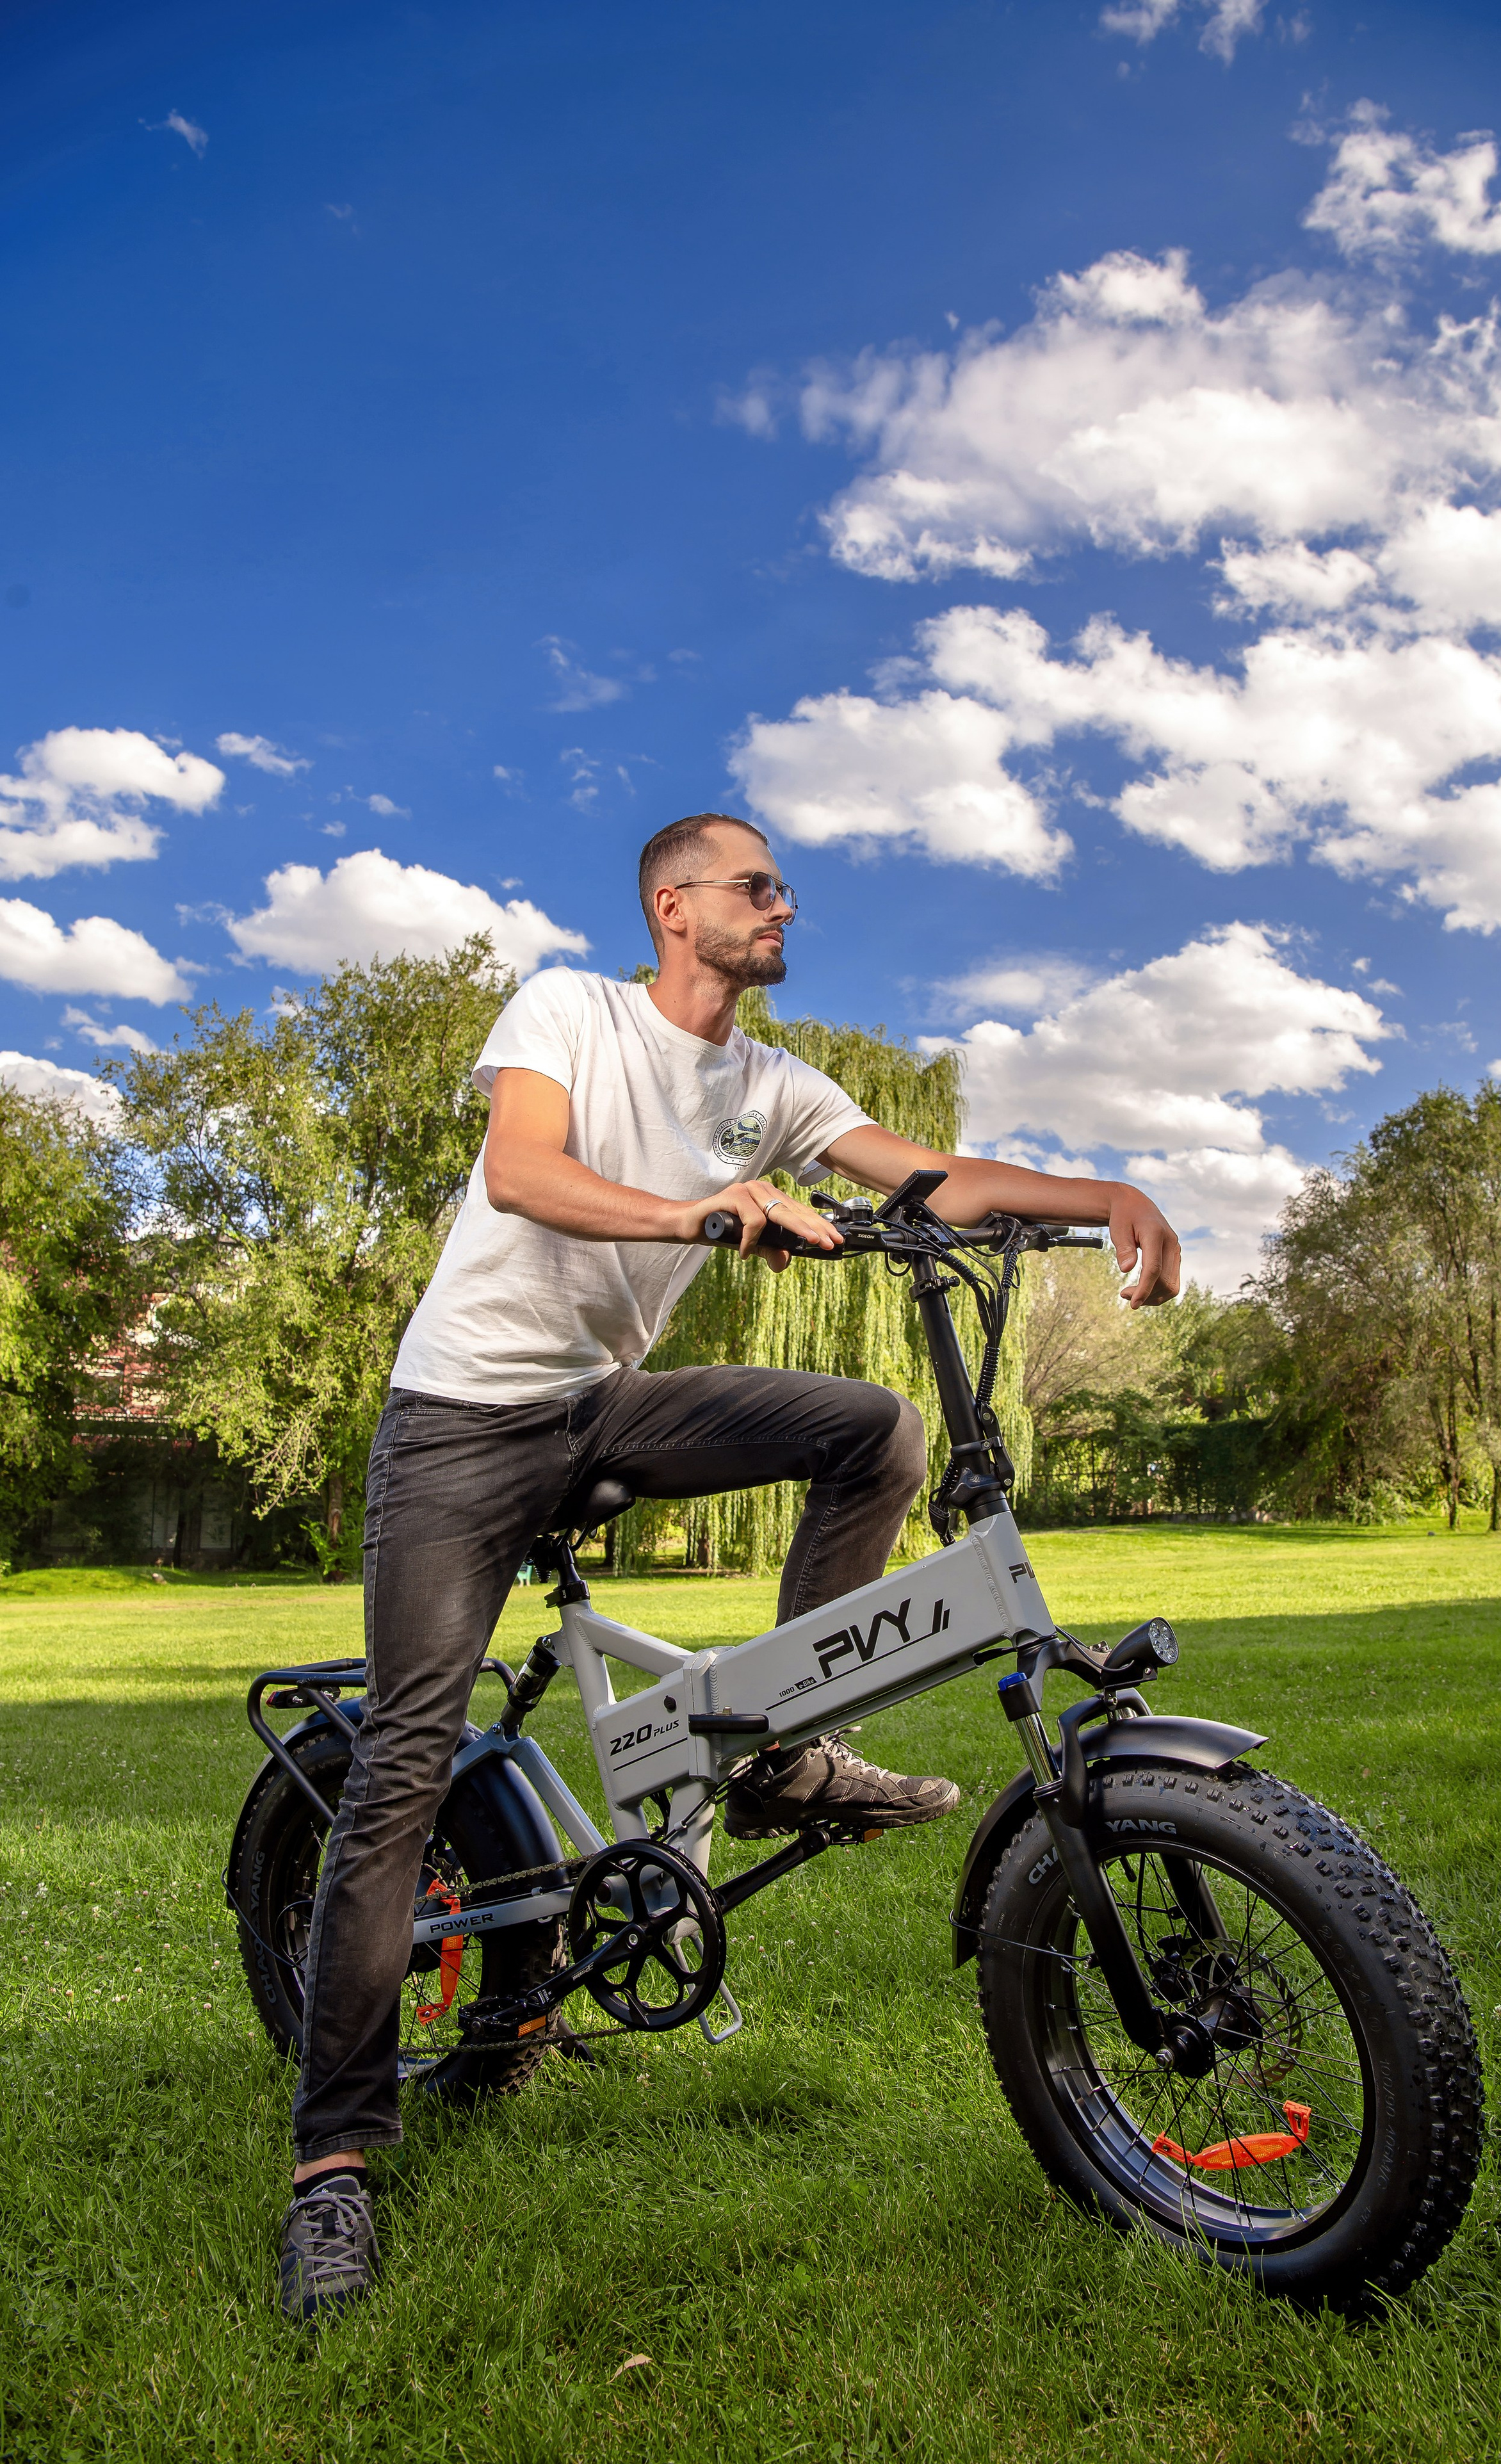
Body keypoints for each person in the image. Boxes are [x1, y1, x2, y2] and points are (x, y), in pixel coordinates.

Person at [279, 809, 1181, 2324]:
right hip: (458, 1423)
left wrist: (1101, 1199)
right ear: (671, 904)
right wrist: (703, 1208)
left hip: (601, 1403)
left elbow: (932, 1178)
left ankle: (772, 1749)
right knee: (403, 1764)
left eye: (781, 888)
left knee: (874, 1431)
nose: (783, 905)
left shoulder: (768, 1085)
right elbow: (523, 1169)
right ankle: (332, 2166)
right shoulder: (570, 1011)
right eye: (755, 886)